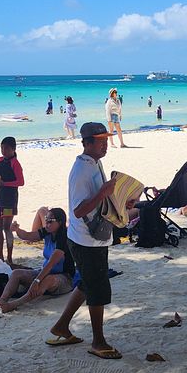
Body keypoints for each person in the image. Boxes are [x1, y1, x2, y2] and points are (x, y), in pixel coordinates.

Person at [47, 122, 131, 359]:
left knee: (88, 283)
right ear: (87, 143)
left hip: (95, 238)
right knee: (98, 289)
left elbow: (100, 201)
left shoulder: (95, 163)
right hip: (85, 241)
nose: (105, 144)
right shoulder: (81, 170)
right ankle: (98, 342)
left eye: (106, 139)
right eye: (100, 140)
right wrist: (102, 193)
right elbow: (78, 210)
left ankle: (61, 326)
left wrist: (121, 202)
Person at [0, 208, 76, 313]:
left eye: (51, 221)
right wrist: (17, 230)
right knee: (16, 273)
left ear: (60, 223)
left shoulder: (65, 237)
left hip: (64, 278)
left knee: (47, 280)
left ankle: (13, 305)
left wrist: (36, 281)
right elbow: (28, 236)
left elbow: (51, 263)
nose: (47, 223)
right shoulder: (47, 231)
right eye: (46, 219)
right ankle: (2, 300)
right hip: (46, 273)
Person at [0, 136, 24, 265]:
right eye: (2, 148)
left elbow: (20, 182)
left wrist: (4, 183)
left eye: (6, 148)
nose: (4, 151)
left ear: (13, 149)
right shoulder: (0, 160)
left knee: (7, 228)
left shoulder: (15, 163)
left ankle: (9, 257)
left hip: (10, 199)